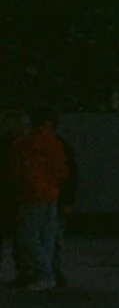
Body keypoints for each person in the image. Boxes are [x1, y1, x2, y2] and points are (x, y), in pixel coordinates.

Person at [8, 107, 68, 293]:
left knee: (28, 237)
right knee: (46, 237)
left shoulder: (22, 144)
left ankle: (44, 274)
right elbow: (62, 172)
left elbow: (16, 173)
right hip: (50, 194)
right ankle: (47, 274)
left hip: (30, 195)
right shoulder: (54, 143)